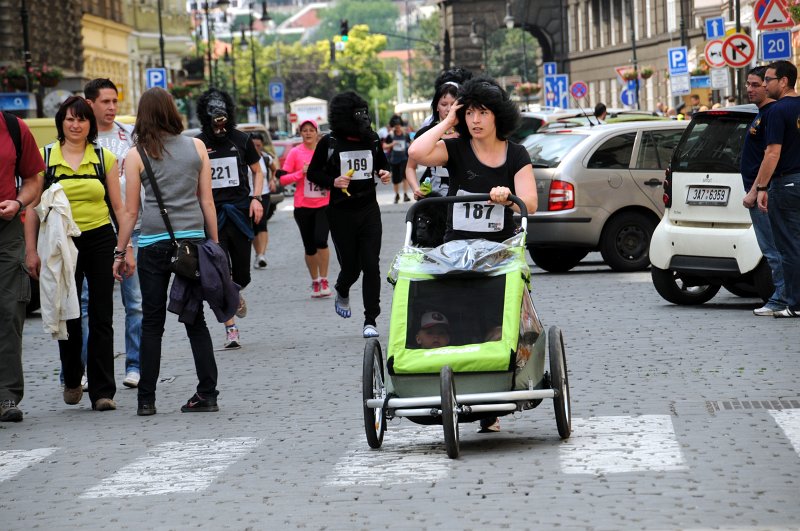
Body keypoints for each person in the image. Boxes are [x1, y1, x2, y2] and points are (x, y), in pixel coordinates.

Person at [113, 87, 221, 416]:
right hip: (193, 244)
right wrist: (214, 245)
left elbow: (130, 212)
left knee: (151, 323)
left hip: (154, 245)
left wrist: (120, 251)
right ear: (172, 111)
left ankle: (146, 399)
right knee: (195, 321)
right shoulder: (197, 147)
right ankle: (207, 393)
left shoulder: (136, 155)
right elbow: (207, 201)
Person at [25, 96, 124, 412]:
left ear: (89, 124)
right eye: (69, 119)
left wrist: (126, 248)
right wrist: (31, 251)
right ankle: (71, 378)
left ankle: (102, 391)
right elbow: (31, 209)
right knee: (67, 311)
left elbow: (118, 207)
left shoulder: (103, 158)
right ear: (61, 123)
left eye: (81, 119)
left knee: (101, 315)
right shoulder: (46, 158)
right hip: (59, 242)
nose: (75, 124)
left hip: (99, 238)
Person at [408, 76, 538, 244]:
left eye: (483, 112)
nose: (475, 120)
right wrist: (448, 122)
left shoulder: (516, 153)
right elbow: (415, 152)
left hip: (500, 247)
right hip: (457, 246)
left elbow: (531, 205)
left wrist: (508, 199)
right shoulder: (454, 148)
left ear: (498, 116)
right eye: (469, 113)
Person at [307, 91, 391, 338]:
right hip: (341, 213)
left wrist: (384, 173)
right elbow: (313, 173)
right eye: (358, 115)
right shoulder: (329, 143)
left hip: (368, 209)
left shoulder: (372, 139)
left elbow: (382, 165)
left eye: (365, 114)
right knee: (352, 268)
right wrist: (333, 180)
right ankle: (342, 289)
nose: (363, 119)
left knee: (371, 265)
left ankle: (370, 320)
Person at [85, 78, 142, 388]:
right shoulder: (81, 138)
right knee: (87, 303)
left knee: (134, 302)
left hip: (130, 228)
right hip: (92, 229)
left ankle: (134, 365)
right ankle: (84, 367)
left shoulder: (128, 136)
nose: (111, 107)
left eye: (114, 101)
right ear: (90, 103)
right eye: (105, 101)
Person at [196, 89, 264, 349]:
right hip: (213, 214)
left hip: (239, 212)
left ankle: (236, 292)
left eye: (223, 117)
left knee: (242, 274)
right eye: (215, 118)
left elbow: (258, 171)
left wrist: (256, 198)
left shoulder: (242, 140)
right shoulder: (199, 143)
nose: (220, 123)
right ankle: (231, 329)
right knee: (219, 270)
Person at [0, 112, 45, 422]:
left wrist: (18, 202)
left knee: (9, 310)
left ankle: (6, 396)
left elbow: (33, 180)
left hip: (6, 229)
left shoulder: (14, 128)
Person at [752, 60, 800, 318]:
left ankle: (794, 304)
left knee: (789, 246)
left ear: (783, 81)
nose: (765, 83)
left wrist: (761, 186)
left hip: (788, 182)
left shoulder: (776, 112)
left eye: (768, 79)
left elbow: (772, 153)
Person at [740, 66, 786, 316]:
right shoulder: (761, 114)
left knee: (774, 249)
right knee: (772, 248)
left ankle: (781, 297)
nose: (750, 89)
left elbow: (770, 156)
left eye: (756, 84)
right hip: (758, 191)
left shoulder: (771, 114)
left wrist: (757, 189)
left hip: (763, 194)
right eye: (748, 84)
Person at [280, 119, 332, 298]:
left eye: (311, 130)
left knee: (321, 240)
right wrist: (300, 173)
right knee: (309, 247)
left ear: (317, 132)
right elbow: (283, 179)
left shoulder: (325, 151)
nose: (308, 133)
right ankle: (315, 281)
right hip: (303, 206)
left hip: (324, 203)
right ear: (300, 133)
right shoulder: (295, 153)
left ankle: (324, 279)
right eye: (305, 130)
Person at [405, 78, 461, 200]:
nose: (449, 109)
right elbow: (410, 167)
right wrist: (416, 189)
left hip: (463, 200)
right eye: (444, 104)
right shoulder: (425, 134)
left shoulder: (469, 133)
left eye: (453, 104)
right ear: (436, 107)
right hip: (434, 199)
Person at [249, 131, 278, 270]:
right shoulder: (244, 157)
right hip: (248, 195)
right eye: (253, 145)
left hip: (264, 194)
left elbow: (275, 169)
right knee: (254, 225)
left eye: (259, 145)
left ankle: (262, 255)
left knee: (262, 223)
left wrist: (273, 179)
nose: (256, 148)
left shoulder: (266, 158)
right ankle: (257, 254)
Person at [383, 116, 411, 203]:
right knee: (395, 179)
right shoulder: (390, 136)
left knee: (405, 177)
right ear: (393, 126)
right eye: (396, 126)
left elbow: (411, 144)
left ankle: (405, 194)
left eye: (399, 126)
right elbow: (384, 146)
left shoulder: (405, 135)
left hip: (404, 159)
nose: (397, 127)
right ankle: (397, 195)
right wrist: (392, 144)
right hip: (394, 160)